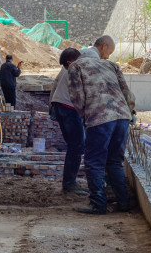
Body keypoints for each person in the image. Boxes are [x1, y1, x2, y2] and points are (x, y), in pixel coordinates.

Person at [68, 35, 136, 214]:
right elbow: (126, 92)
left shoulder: (76, 67)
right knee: (115, 161)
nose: (107, 56)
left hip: (99, 118)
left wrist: (85, 116)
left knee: (94, 161)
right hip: (122, 117)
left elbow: (77, 96)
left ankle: (98, 204)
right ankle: (123, 202)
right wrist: (131, 112)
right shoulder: (111, 65)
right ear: (103, 47)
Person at [50, 48, 88, 196]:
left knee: (75, 145)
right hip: (68, 107)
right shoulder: (79, 65)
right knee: (77, 145)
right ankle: (69, 183)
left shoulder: (77, 65)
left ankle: (69, 182)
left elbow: (55, 83)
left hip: (60, 105)